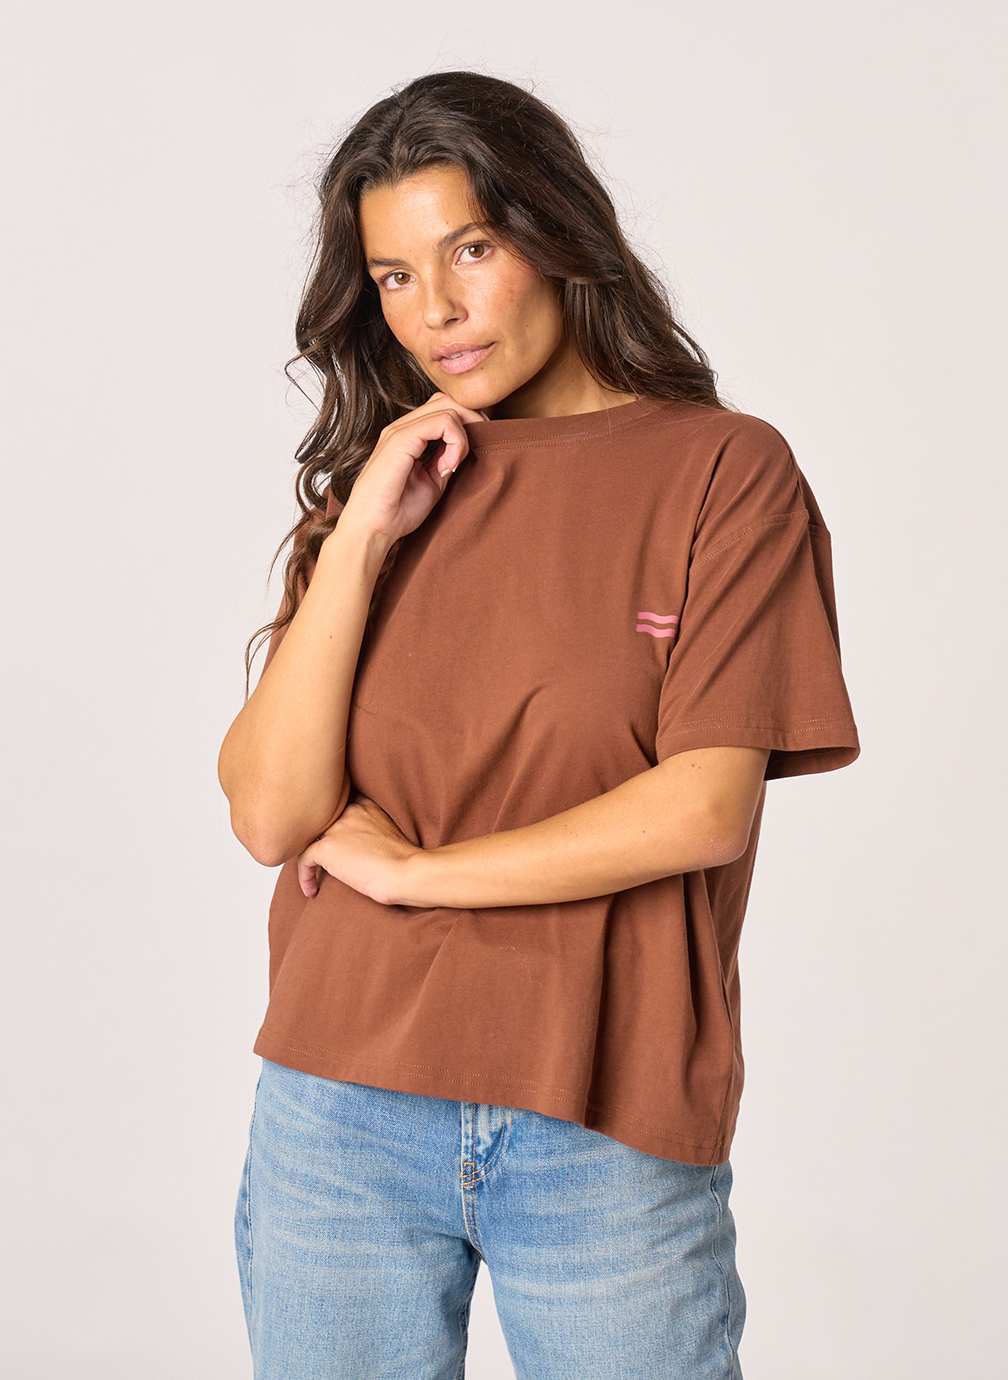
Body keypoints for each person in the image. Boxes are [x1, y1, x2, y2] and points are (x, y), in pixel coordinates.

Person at [218, 71, 859, 1380]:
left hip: (603, 1119)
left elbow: (702, 807)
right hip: (337, 1113)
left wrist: (418, 874)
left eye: (470, 250)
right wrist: (360, 537)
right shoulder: (390, 485)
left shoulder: (721, 472)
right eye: (394, 276)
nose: (436, 311)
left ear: (555, 234)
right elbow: (273, 815)